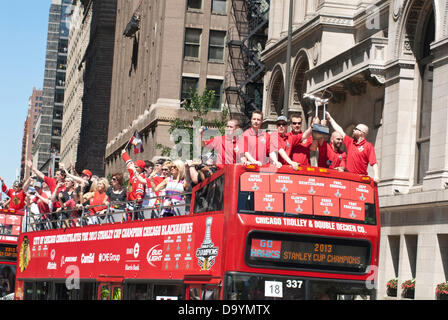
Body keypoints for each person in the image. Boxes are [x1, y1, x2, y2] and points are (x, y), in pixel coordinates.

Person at [326, 112, 379, 183]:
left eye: (355, 129)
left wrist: (376, 176)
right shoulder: (350, 142)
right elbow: (340, 131)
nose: (353, 130)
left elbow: (374, 163)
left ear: (361, 133)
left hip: (360, 180)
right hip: (348, 179)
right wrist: (330, 119)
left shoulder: (368, 146)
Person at [121, 149, 146, 220]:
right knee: (127, 219)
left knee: (133, 220)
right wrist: (124, 154)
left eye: (136, 167)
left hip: (135, 204)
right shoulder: (133, 173)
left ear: (141, 169)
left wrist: (139, 196)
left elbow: (140, 187)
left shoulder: (141, 177)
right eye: (134, 166)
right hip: (129, 202)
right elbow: (129, 163)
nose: (134, 168)